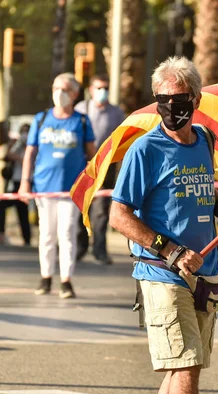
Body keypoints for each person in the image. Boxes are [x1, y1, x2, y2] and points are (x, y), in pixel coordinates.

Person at [108, 56, 218, 394]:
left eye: (179, 102)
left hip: (204, 274)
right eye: (163, 102)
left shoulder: (204, 140)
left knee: (185, 365)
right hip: (163, 272)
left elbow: (201, 190)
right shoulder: (145, 150)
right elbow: (119, 215)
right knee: (187, 363)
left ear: (197, 100)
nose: (172, 109)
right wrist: (171, 250)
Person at [19, 73, 96, 298]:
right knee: (46, 234)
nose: (58, 93)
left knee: (67, 233)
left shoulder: (81, 121)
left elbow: (92, 154)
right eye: (55, 88)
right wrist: (25, 182)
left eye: (63, 89)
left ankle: (66, 280)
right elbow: (30, 151)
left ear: (73, 94)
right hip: (44, 187)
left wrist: (90, 182)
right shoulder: (41, 119)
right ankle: (45, 277)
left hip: (69, 190)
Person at [74, 74, 126, 265]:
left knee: (102, 209)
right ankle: (80, 247)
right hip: (85, 165)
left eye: (106, 88)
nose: (102, 91)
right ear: (91, 89)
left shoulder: (116, 113)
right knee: (82, 206)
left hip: (107, 166)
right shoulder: (81, 109)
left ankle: (100, 250)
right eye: (99, 88)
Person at [0, 123, 32, 246]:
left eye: (27, 132)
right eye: (23, 131)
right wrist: (15, 145)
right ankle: (25, 237)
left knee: (24, 211)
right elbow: (8, 156)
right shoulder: (17, 145)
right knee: (19, 209)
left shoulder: (34, 145)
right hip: (17, 181)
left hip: (30, 181)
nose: (25, 135)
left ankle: (27, 238)